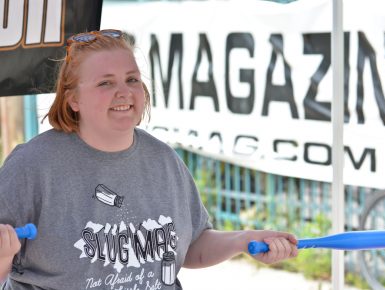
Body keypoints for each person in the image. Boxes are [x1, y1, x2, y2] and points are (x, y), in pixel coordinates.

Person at [0, 29, 298, 289]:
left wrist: (244, 240)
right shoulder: (33, 166)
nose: (124, 92)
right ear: (73, 99)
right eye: (105, 83)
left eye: (132, 79)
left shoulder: (164, 160)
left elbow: (192, 246)